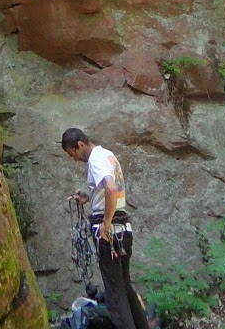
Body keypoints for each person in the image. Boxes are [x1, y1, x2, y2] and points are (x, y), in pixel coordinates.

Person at [61, 128, 149, 329]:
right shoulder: (108, 155)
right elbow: (108, 191)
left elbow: (110, 188)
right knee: (125, 288)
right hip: (124, 231)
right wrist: (90, 197)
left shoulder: (95, 160)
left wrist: (106, 224)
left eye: (72, 153)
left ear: (80, 145)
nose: (74, 159)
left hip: (110, 235)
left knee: (115, 295)